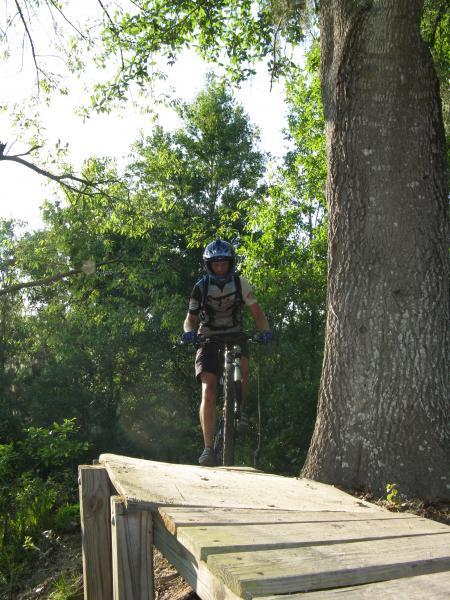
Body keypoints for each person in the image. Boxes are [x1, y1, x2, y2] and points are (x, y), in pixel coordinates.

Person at [182, 239, 273, 466]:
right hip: (208, 337)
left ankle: (240, 410)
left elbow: (258, 314)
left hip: (235, 333)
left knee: (243, 366)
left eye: (224, 264)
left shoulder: (240, 283)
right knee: (209, 390)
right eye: (216, 264)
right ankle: (208, 448)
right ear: (209, 265)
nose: (220, 268)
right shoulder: (200, 287)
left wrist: (266, 331)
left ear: (230, 263)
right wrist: (188, 333)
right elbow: (190, 319)